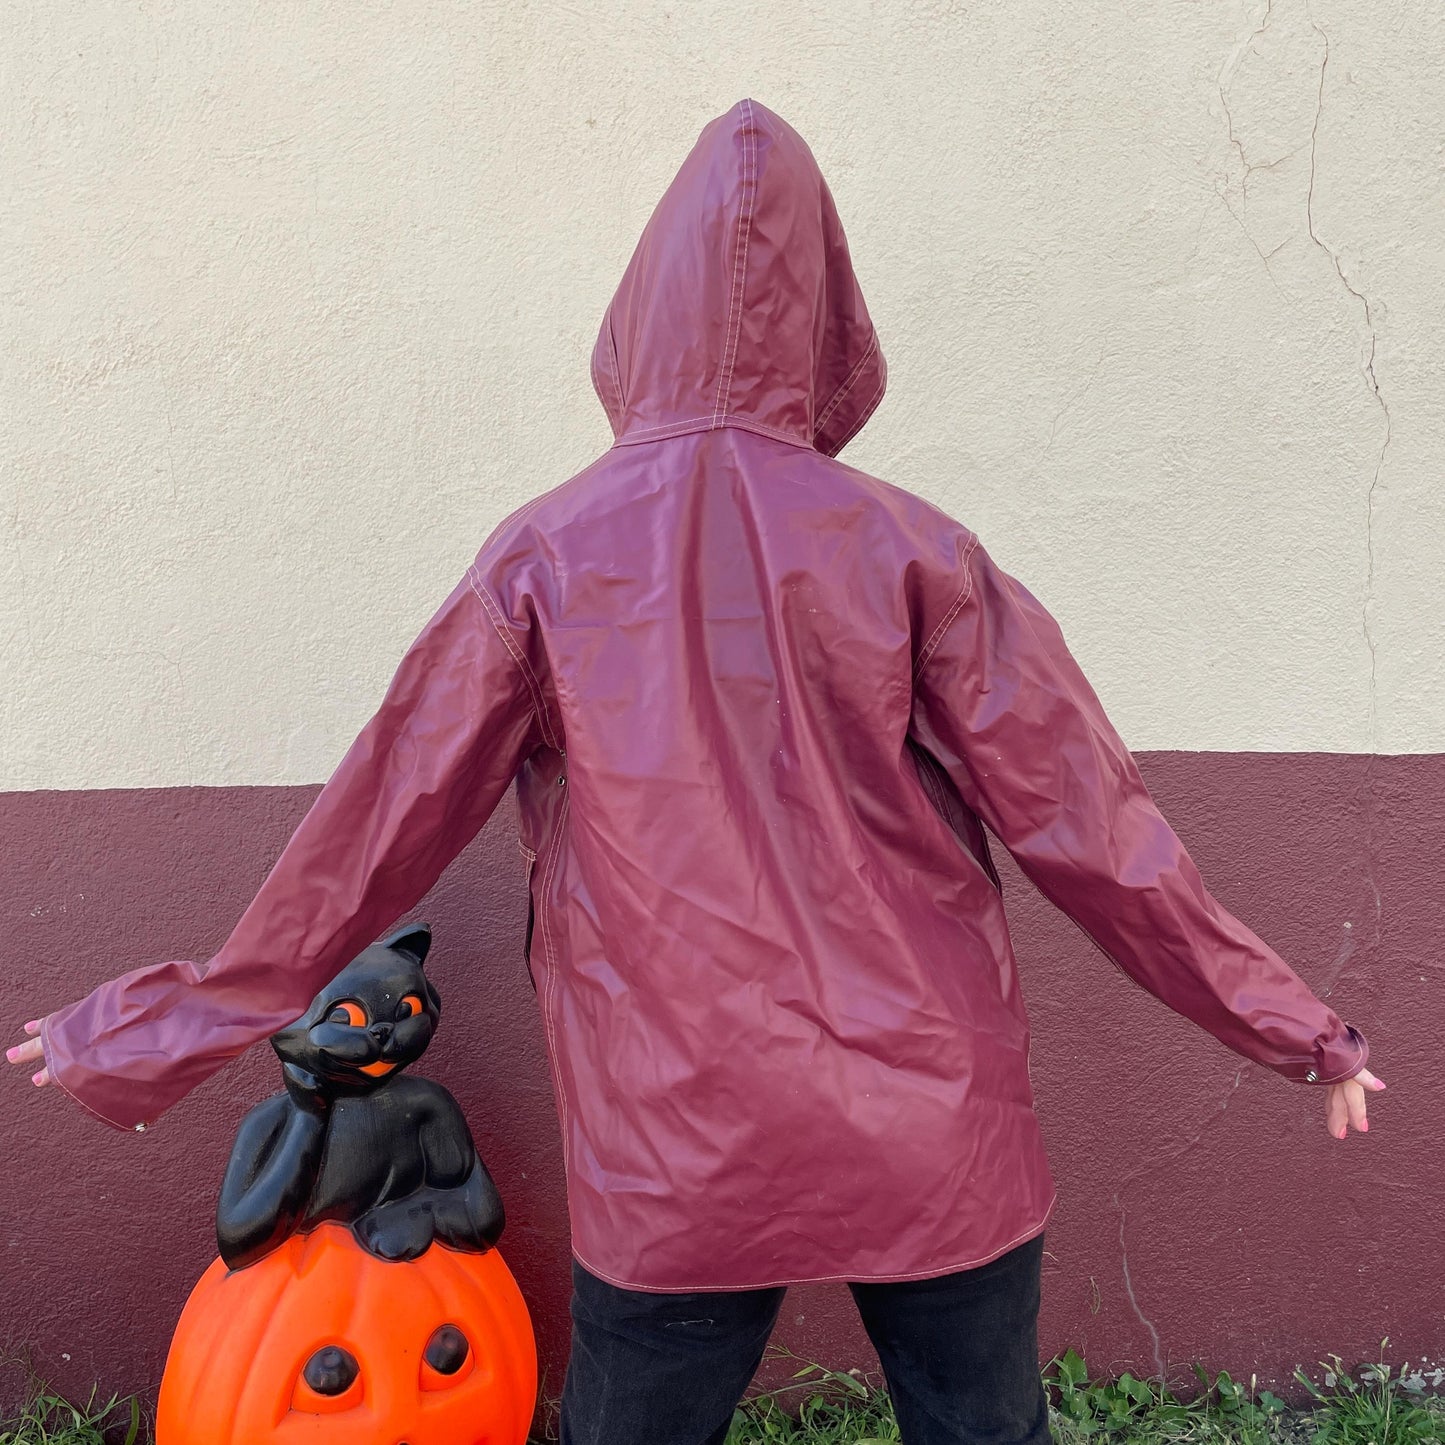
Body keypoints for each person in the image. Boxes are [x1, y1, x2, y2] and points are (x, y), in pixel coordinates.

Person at [8, 98, 1383, 1445]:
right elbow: (1092, 827)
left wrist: (152, 1023)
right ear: (828, 313)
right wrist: (1288, 1021)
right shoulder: (914, 548)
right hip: (929, 1117)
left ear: (637, 317)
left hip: (675, 1134)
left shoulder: (542, 555)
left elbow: (376, 825)